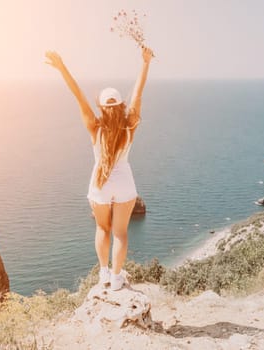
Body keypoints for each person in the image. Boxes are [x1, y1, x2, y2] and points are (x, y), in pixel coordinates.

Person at [45, 46, 154, 290]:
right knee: (120, 234)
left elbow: (79, 96)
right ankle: (117, 278)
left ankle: (104, 273)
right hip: (125, 184)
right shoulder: (129, 127)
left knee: (102, 229)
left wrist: (62, 67)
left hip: (100, 184)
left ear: (102, 107)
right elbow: (138, 93)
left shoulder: (95, 128)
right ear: (121, 106)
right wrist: (145, 63)